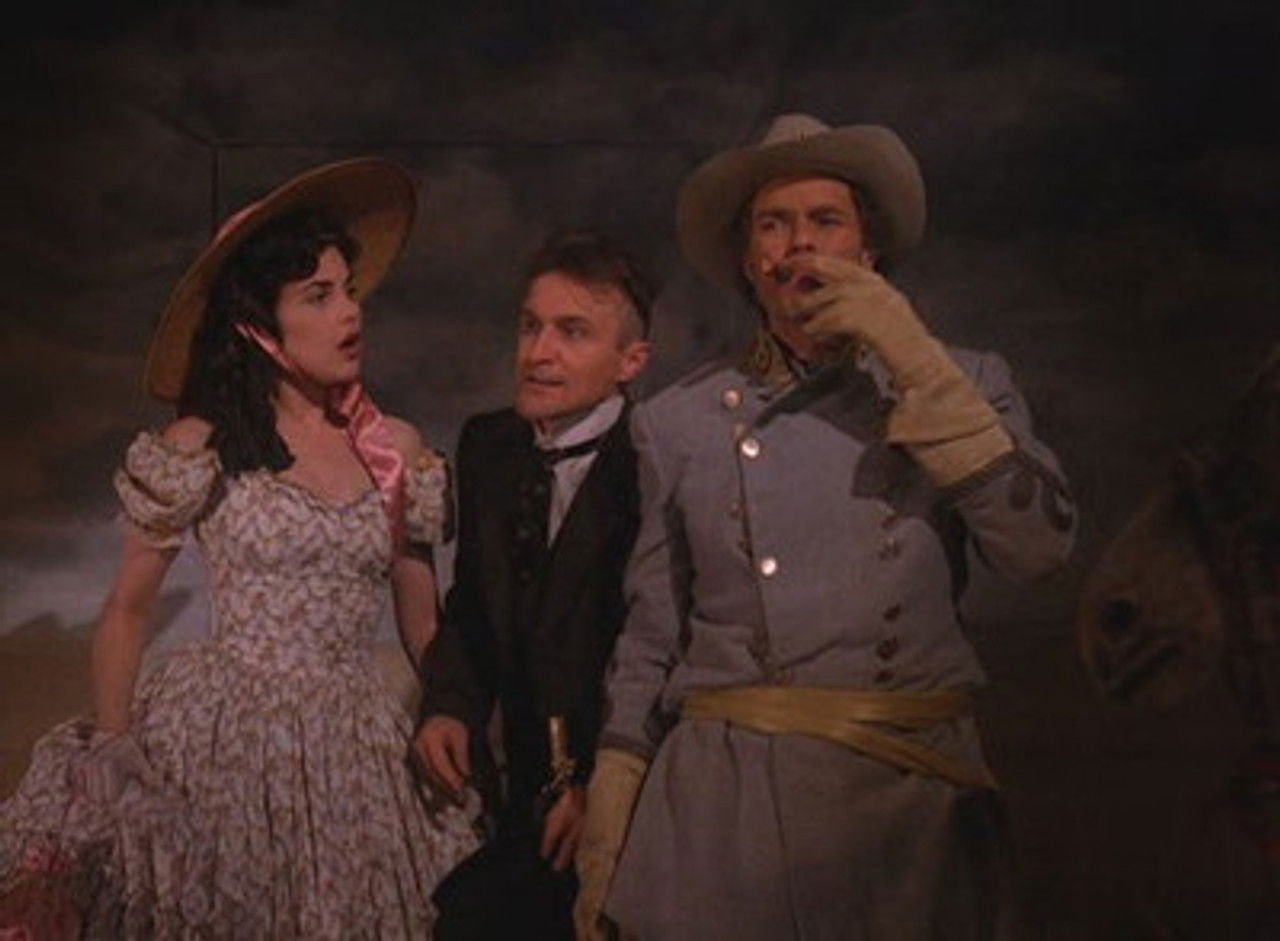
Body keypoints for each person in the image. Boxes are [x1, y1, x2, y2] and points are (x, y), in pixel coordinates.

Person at [575, 113, 1078, 939]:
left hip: (906, 813)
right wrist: (612, 809)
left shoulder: (963, 382)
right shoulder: (679, 421)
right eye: (773, 225)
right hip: (726, 810)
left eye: (825, 220)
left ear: (868, 250)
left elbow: (1040, 549)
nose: (798, 243)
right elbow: (652, 636)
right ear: (749, 260)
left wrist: (914, 358)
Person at [0, 157, 479, 937]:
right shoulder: (202, 447)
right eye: (318, 296)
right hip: (223, 730)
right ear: (259, 324)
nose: (348, 313)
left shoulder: (393, 449)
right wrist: (116, 743)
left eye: (348, 290)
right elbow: (127, 609)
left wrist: (454, 710)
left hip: (352, 742)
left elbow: (421, 621)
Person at [414, 229, 655, 938]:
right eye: (530, 326)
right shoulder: (489, 445)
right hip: (521, 792)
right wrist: (449, 705)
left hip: (630, 802)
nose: (538, 351)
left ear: (631, 361)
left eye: (572, 332)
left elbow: (670, 651)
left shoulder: (658, 465)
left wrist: (605, 789)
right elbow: (472, 608)